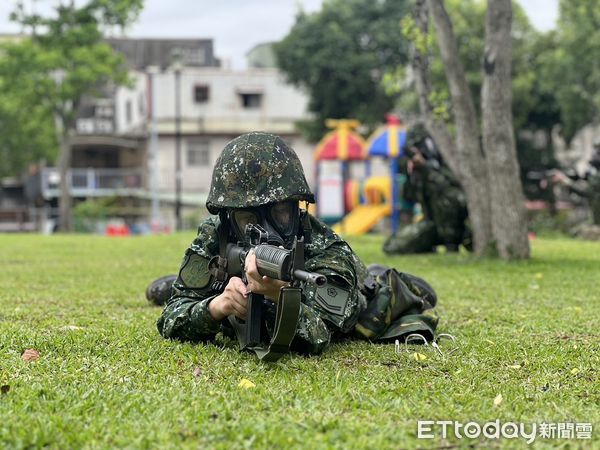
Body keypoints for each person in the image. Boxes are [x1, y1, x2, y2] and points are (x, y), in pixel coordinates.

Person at [150, 132, 439, 357]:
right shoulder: (217, 233)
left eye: (280, 213)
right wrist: (216, 306)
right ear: (228, 215)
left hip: (349, 292)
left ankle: (379, 275)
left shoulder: (326, 248)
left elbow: (319, 335)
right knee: (176, 290)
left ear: (297, 207)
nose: (266, 230)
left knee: (379, 293)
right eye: (249, 217)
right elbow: (171, 317)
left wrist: (279, 298)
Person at [384, 123, 472, 254]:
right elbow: (408, 197)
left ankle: (453, 244)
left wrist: (425, 167)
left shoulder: (443, 165)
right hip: (432, 225)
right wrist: (411, 174)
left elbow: (447, 190)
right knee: (393, 247)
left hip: (458, 226)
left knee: (446, 201)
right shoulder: (418, 172)